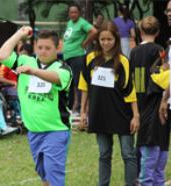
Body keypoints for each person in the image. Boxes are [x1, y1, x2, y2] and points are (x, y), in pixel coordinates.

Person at [0, 27, 72, 186]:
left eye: (48, 48)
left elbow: (56, 78)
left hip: (56, 130)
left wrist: (34, 72)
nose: (43, 51)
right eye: (40, 47)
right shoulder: (26, 61)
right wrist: (19, 34)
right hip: (34, 131)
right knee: (43, 173)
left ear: (57, 48)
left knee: (54, 173)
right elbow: (2, 55)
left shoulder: (63, 68)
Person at [79, 21, 139, 186]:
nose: (106, 43)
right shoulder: (90, 58)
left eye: (109, 39)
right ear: (97, 40)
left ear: (116, 40)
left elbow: (130, 90)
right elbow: (84, 86)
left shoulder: (123, 61)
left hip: (123, 114)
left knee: (128, 154)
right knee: (104, 154)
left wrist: (135, 116)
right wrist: (83, 112)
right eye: (102, 39)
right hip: (100, 113)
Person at [130, 16, 170, 186]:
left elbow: (132, 79)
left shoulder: (133, 52)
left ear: (140, 32)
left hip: (139, 104)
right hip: (158, 103)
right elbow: (163, 77)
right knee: (157, 147)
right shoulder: (160, 50)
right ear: (158, 32)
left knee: (148, 145)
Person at [63, 3, 97, 115]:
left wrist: (86, 42)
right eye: (71, 12)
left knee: (78, 82)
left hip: (77, 56)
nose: (73, 14)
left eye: (75, 12)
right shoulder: (69, 23)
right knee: (70, 82)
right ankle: (71, 105)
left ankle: (78, 108)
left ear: (79, 13)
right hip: (67, 56)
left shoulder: (82, 23)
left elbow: (94, 31)